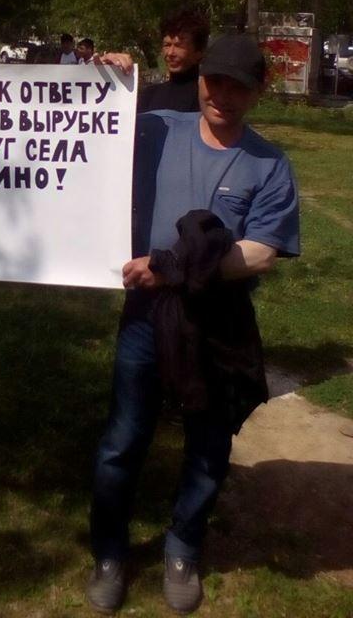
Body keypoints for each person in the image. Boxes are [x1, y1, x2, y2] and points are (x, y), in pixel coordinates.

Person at [88, 34, 299, 614]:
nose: (222, 96)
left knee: (209, 442)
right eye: (214, 82)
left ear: (258, 92)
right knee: (123, 439)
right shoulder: (156, 129)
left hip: (218, 321)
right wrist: (109, 77)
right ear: (200, 80)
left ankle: (182, 547)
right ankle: (108, 552)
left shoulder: (270, 163)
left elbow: (261, 252)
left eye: (238, 87)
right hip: (146, 316)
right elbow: (90, 130)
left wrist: (173, 267)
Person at [137, 10, 209, 112]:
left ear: (199, 52)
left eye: (179, 46)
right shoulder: (149, 96)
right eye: (167, 45)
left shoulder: (208, 99)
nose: (170, 53)